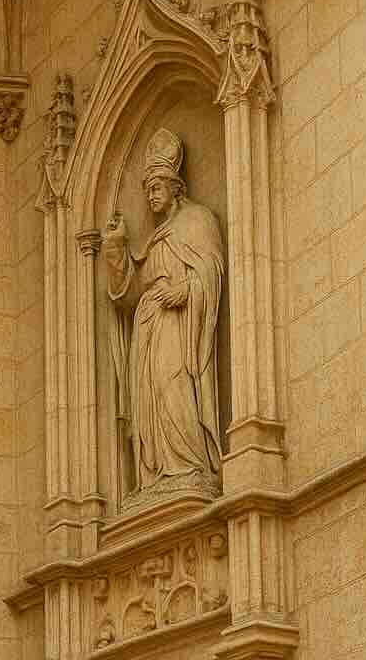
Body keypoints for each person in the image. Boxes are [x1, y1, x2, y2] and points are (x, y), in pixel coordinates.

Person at [103, 128, 224, 497]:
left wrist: (185, 289)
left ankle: (188, 465)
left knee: (174, 388)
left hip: (178, 325)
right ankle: (157, 476)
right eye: (147, 190)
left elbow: (212, 271)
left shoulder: (198, 220)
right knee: (151, 399)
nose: (151, 196)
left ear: (175, 187)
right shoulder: (155, 239)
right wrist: (117, 249)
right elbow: (130, 294)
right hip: (149, 326)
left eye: (156, 188)